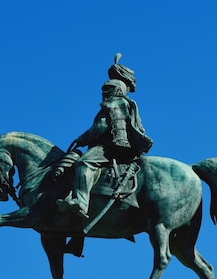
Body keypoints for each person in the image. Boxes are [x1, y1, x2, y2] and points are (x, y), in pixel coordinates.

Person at [57, 54, 153, 218]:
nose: (104, 93)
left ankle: (81, 202)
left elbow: (101, 126)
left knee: (83, 163)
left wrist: (80, 139)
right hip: (120, 146)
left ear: (115, 90)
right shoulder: (126, 104)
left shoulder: (114, 103)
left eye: (106, 90)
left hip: (109, 147)